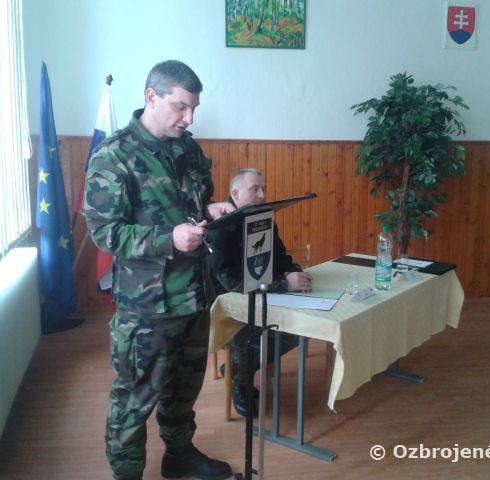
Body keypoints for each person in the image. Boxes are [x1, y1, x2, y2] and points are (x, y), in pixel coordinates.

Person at [83, 60, 234, 480]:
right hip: (147, 305)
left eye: (194, 109)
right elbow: (105, 232)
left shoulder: (188, 149)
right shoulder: (114, 155)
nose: (189, 118)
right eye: (181, 107)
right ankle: (127, 473)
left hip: (194, 294)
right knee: (135, 397)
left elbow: (192, 207)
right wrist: (169, 239)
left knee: (184, 389)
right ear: (152, 97)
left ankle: (179, 454)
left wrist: (211, 210)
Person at [208, 168, 312, 417]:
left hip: (264, 292)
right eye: (255, 189)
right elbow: (232, 285)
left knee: (301, 326)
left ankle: (241, 367)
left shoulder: (262, 217)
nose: (263, 195)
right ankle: (239, 380)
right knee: (254, 333)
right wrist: (284, 285)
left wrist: (293, 273)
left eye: (264, 189)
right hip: (226, 305)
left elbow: (280, 255)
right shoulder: (219, 229)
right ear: (235, 194)